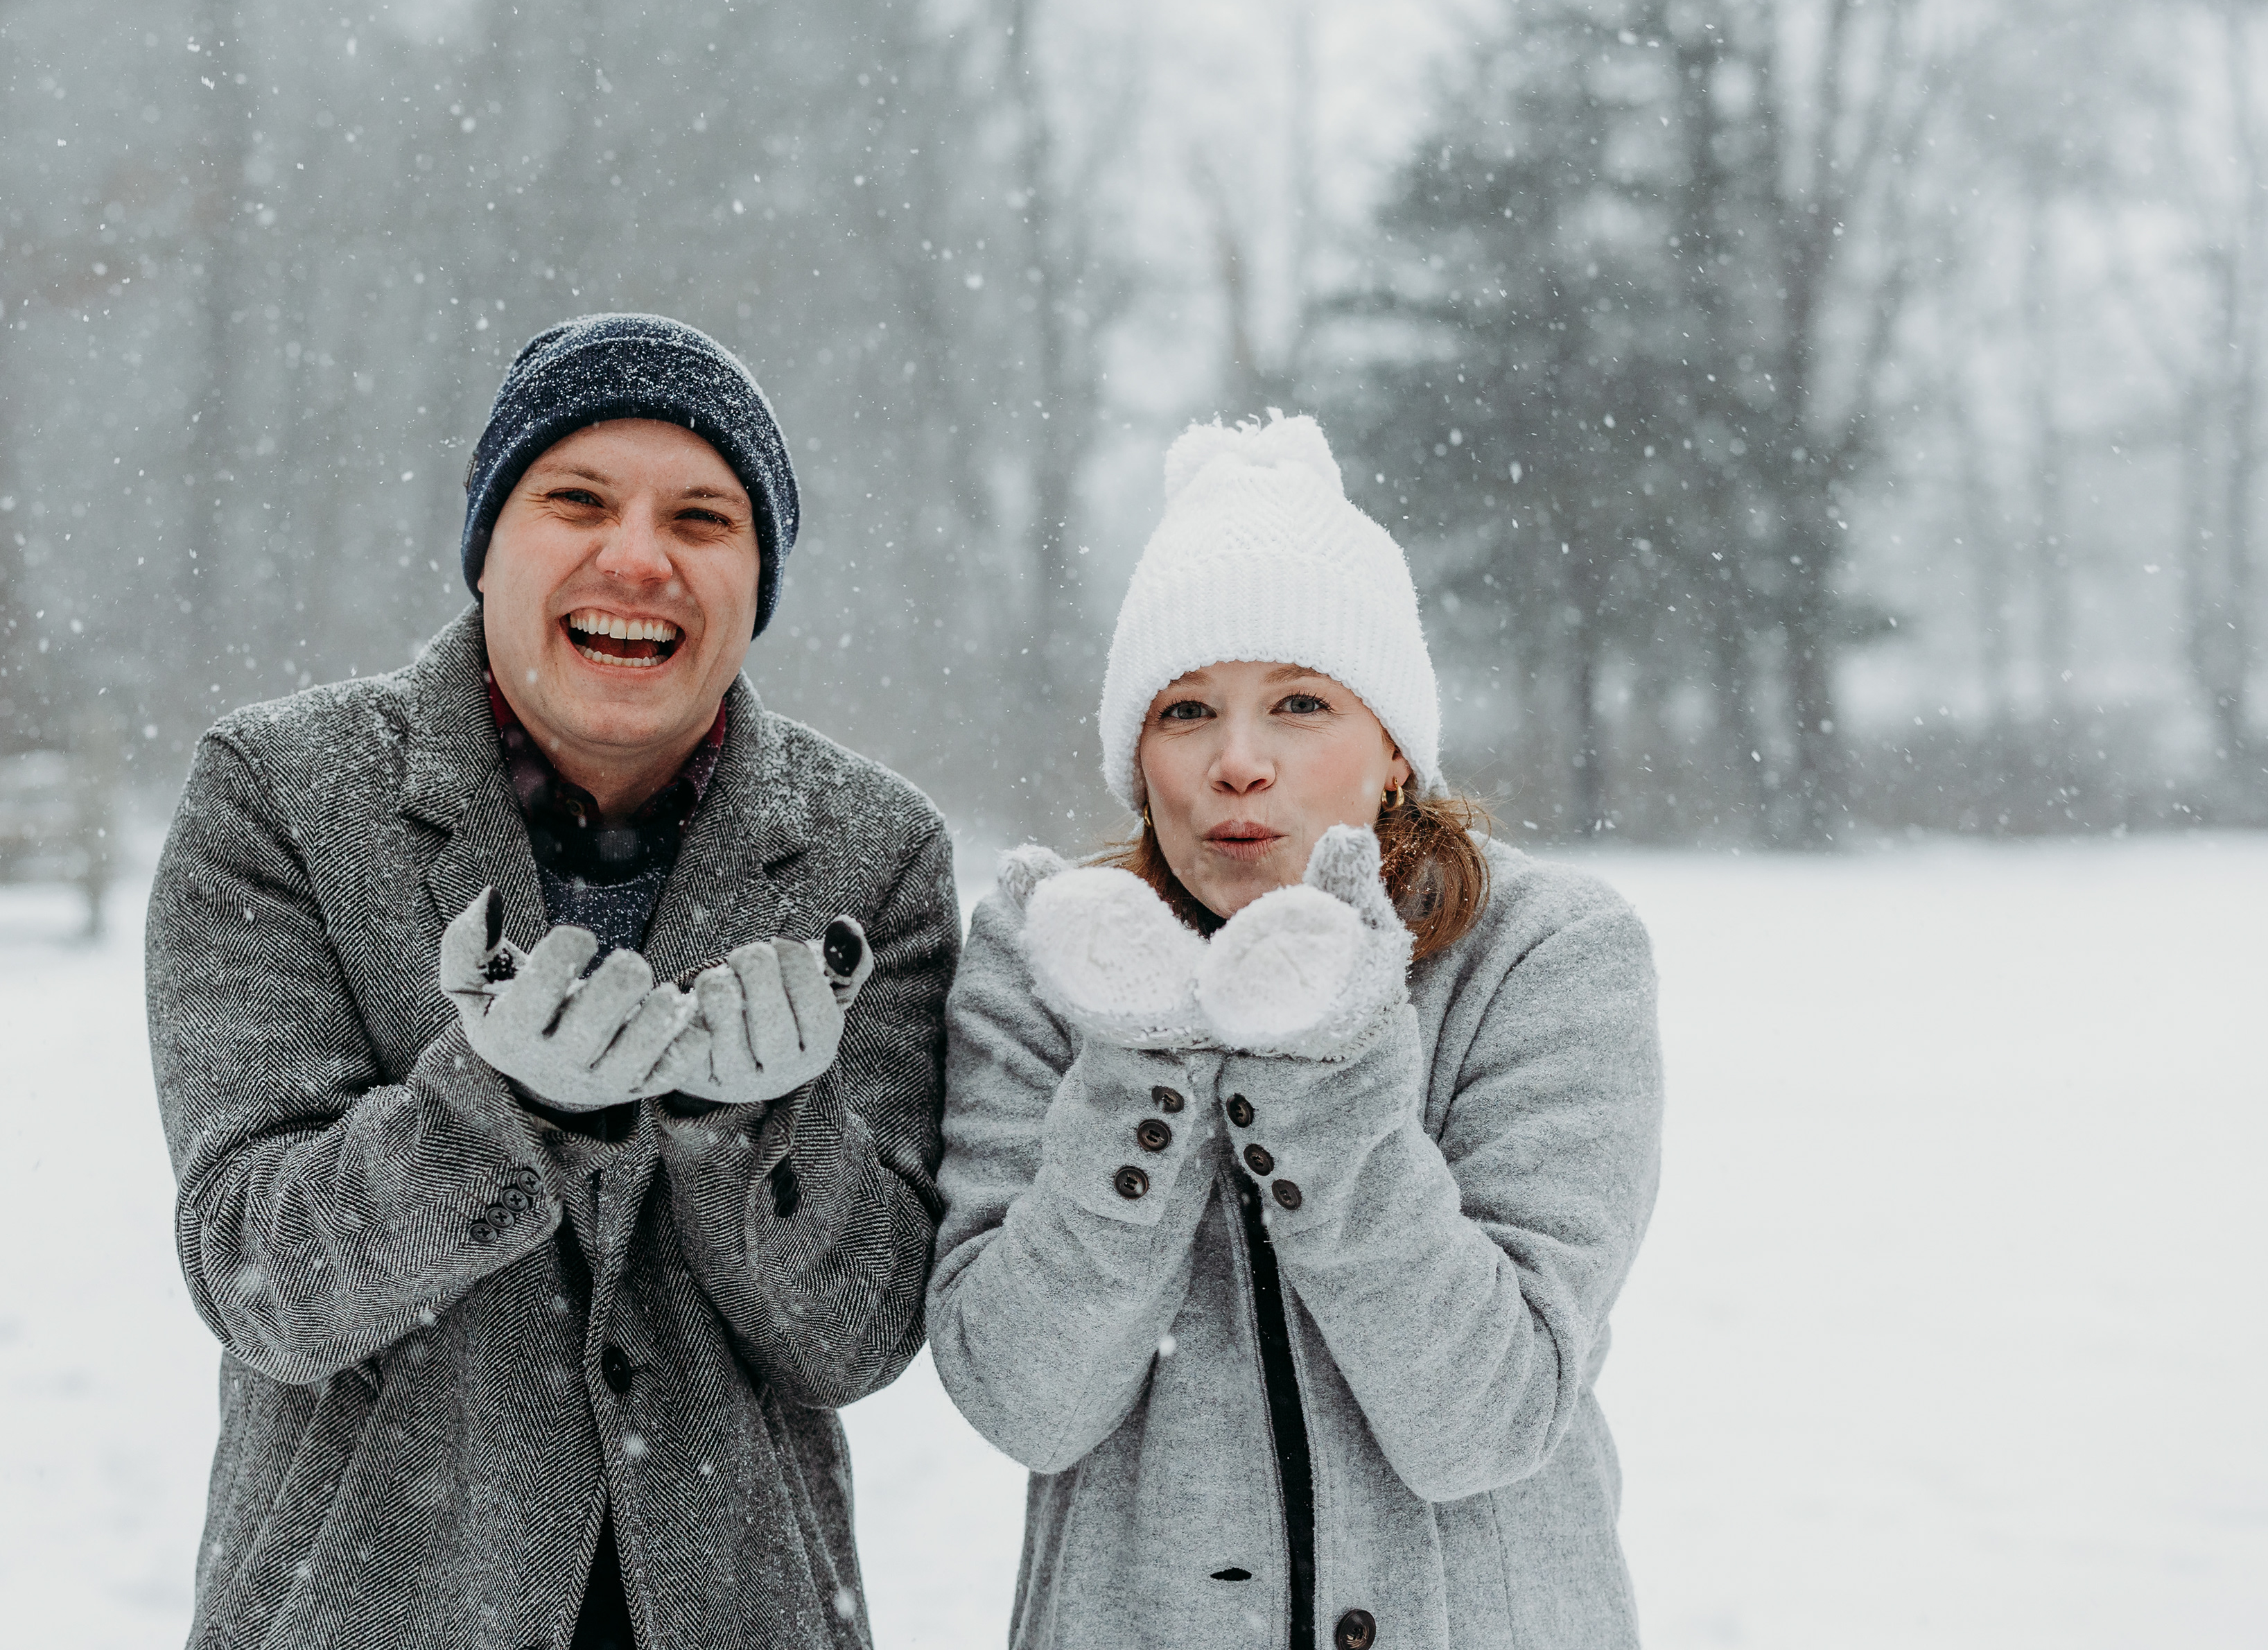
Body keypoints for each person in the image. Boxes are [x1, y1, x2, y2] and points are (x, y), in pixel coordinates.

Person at [148, 313, 959, 1649]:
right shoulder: (280, 796)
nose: (637, 557)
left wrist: (755, 1134)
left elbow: (861, 1336)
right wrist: (493, 1109)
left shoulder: (874, 857)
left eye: (704, 519)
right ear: (486, 548)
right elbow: (259, 1279)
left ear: (759, 580)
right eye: (576, 498)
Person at [929, 413, 1662, 1650]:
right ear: (1137, 757)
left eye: (1302, 703)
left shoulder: (1548, 954)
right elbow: (1026, 1400)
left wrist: (1325, 1069)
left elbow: (1483, 1417)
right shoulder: (1043, 963)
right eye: (1186, 712)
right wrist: (1139, 1061)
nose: (1239, 763)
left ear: (1391, 754)